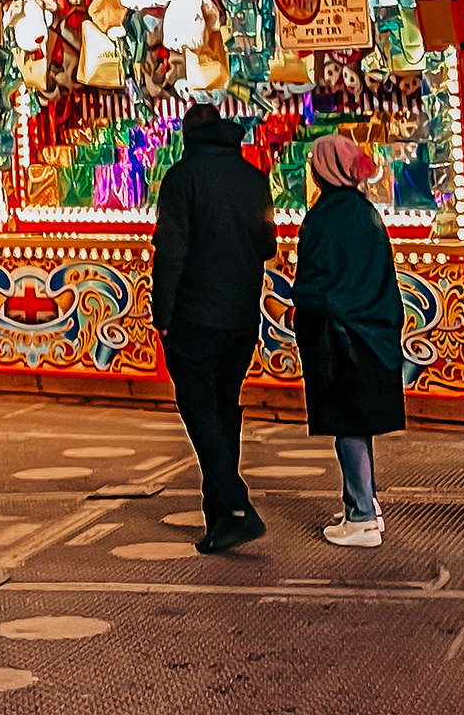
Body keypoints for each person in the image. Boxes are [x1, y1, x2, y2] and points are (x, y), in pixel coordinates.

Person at [151, 101, 277, 554]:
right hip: (242, 315)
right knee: (224, 408)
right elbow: (267, 245)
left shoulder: (182, 178)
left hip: (194, 316)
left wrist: (162, 314)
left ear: (188, 135)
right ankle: (219, 516)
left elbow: (172, 251)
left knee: (199, 408)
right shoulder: (252, 178)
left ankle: (236, 507)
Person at [291, 134, 407, 549]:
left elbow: (316, 283)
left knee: (347, 425)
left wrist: (300, 307)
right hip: (374, 332)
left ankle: (360, 515)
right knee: (361, 421)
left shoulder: (324, 219)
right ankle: (364, 503)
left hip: (339, 335)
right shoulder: (365, 212)